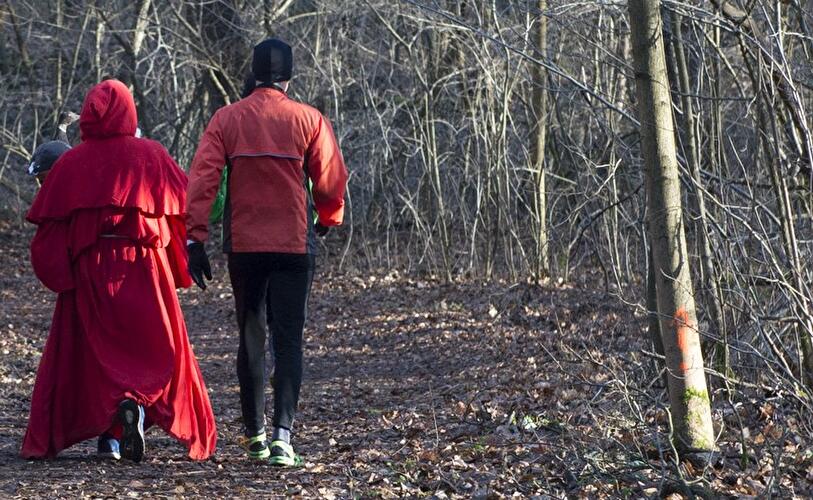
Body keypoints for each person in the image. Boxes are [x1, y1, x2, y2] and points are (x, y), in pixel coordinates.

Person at [21, 79, 217, 462]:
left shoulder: (72, 163)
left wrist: (63, 273)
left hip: (92, 269)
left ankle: (112, 434)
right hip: (144, 267)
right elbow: (184, 210)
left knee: (90, 353)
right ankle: (134, 411)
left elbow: (49, 231)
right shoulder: (153, 155)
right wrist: (184, 258)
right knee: (156, 348)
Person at [186, 38, 348, 466]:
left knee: (251, 338)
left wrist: (194, 238)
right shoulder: (309, 119)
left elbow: (203, 179)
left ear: (255, 73)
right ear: (289, 77)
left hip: (245, 246)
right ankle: (282, 438)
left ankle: (254, 436)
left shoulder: (226, 119)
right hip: (295, 246)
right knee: (289, 341)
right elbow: (331, 182)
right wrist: (327, 219)